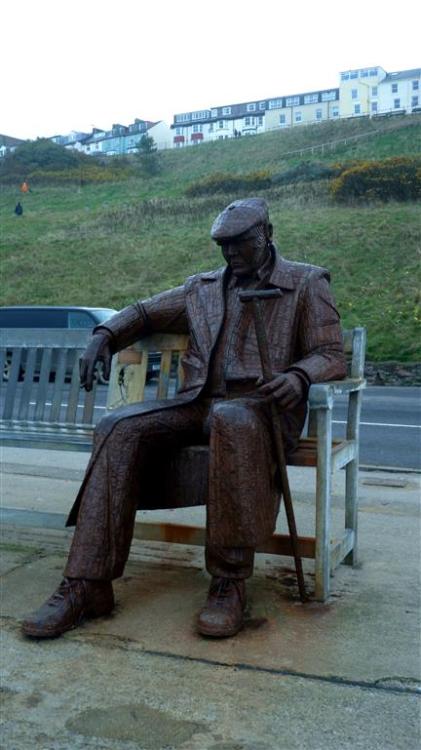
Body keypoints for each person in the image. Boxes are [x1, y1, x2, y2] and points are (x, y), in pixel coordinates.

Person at [22, 198, 346, 640]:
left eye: (240, 243)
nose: (231, 253)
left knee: (232, 418)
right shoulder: (204, 289)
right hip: (197, 404)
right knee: (117, 428)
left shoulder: (305, 283)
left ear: (267, 232)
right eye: (223, 245)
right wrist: (104, 335)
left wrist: (300, 375)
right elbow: (144, 312)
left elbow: (330, 353)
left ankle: (229, 582)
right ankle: (87, 584)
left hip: (261, 410)